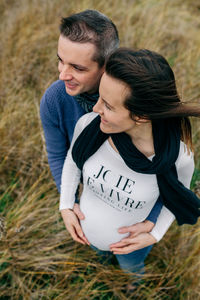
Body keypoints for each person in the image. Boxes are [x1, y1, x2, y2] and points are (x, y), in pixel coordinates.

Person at [60, 48, 200, 275]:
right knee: (100, 261)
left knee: (131, 269)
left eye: (108, 105)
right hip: (87, 237)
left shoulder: (178, 159)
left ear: (141, 116)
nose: (96, 109)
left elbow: (175, 198)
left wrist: (156, 234)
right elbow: (73, 161)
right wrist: (66, 204)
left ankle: (132, 286)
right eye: (100, 98)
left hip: (132, 247)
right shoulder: (89, 126)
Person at [40, 10, 163, 248]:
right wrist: (68, 202)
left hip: (133, 207)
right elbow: (58, 154)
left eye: (77, 67)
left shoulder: (139, 100)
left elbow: (169, 167)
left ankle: (132, 284)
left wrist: (154, 220)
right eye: (60, 60)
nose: (62, 74)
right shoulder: (55, 99)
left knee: (132, 263)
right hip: (92, 197)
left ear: (106, 66)